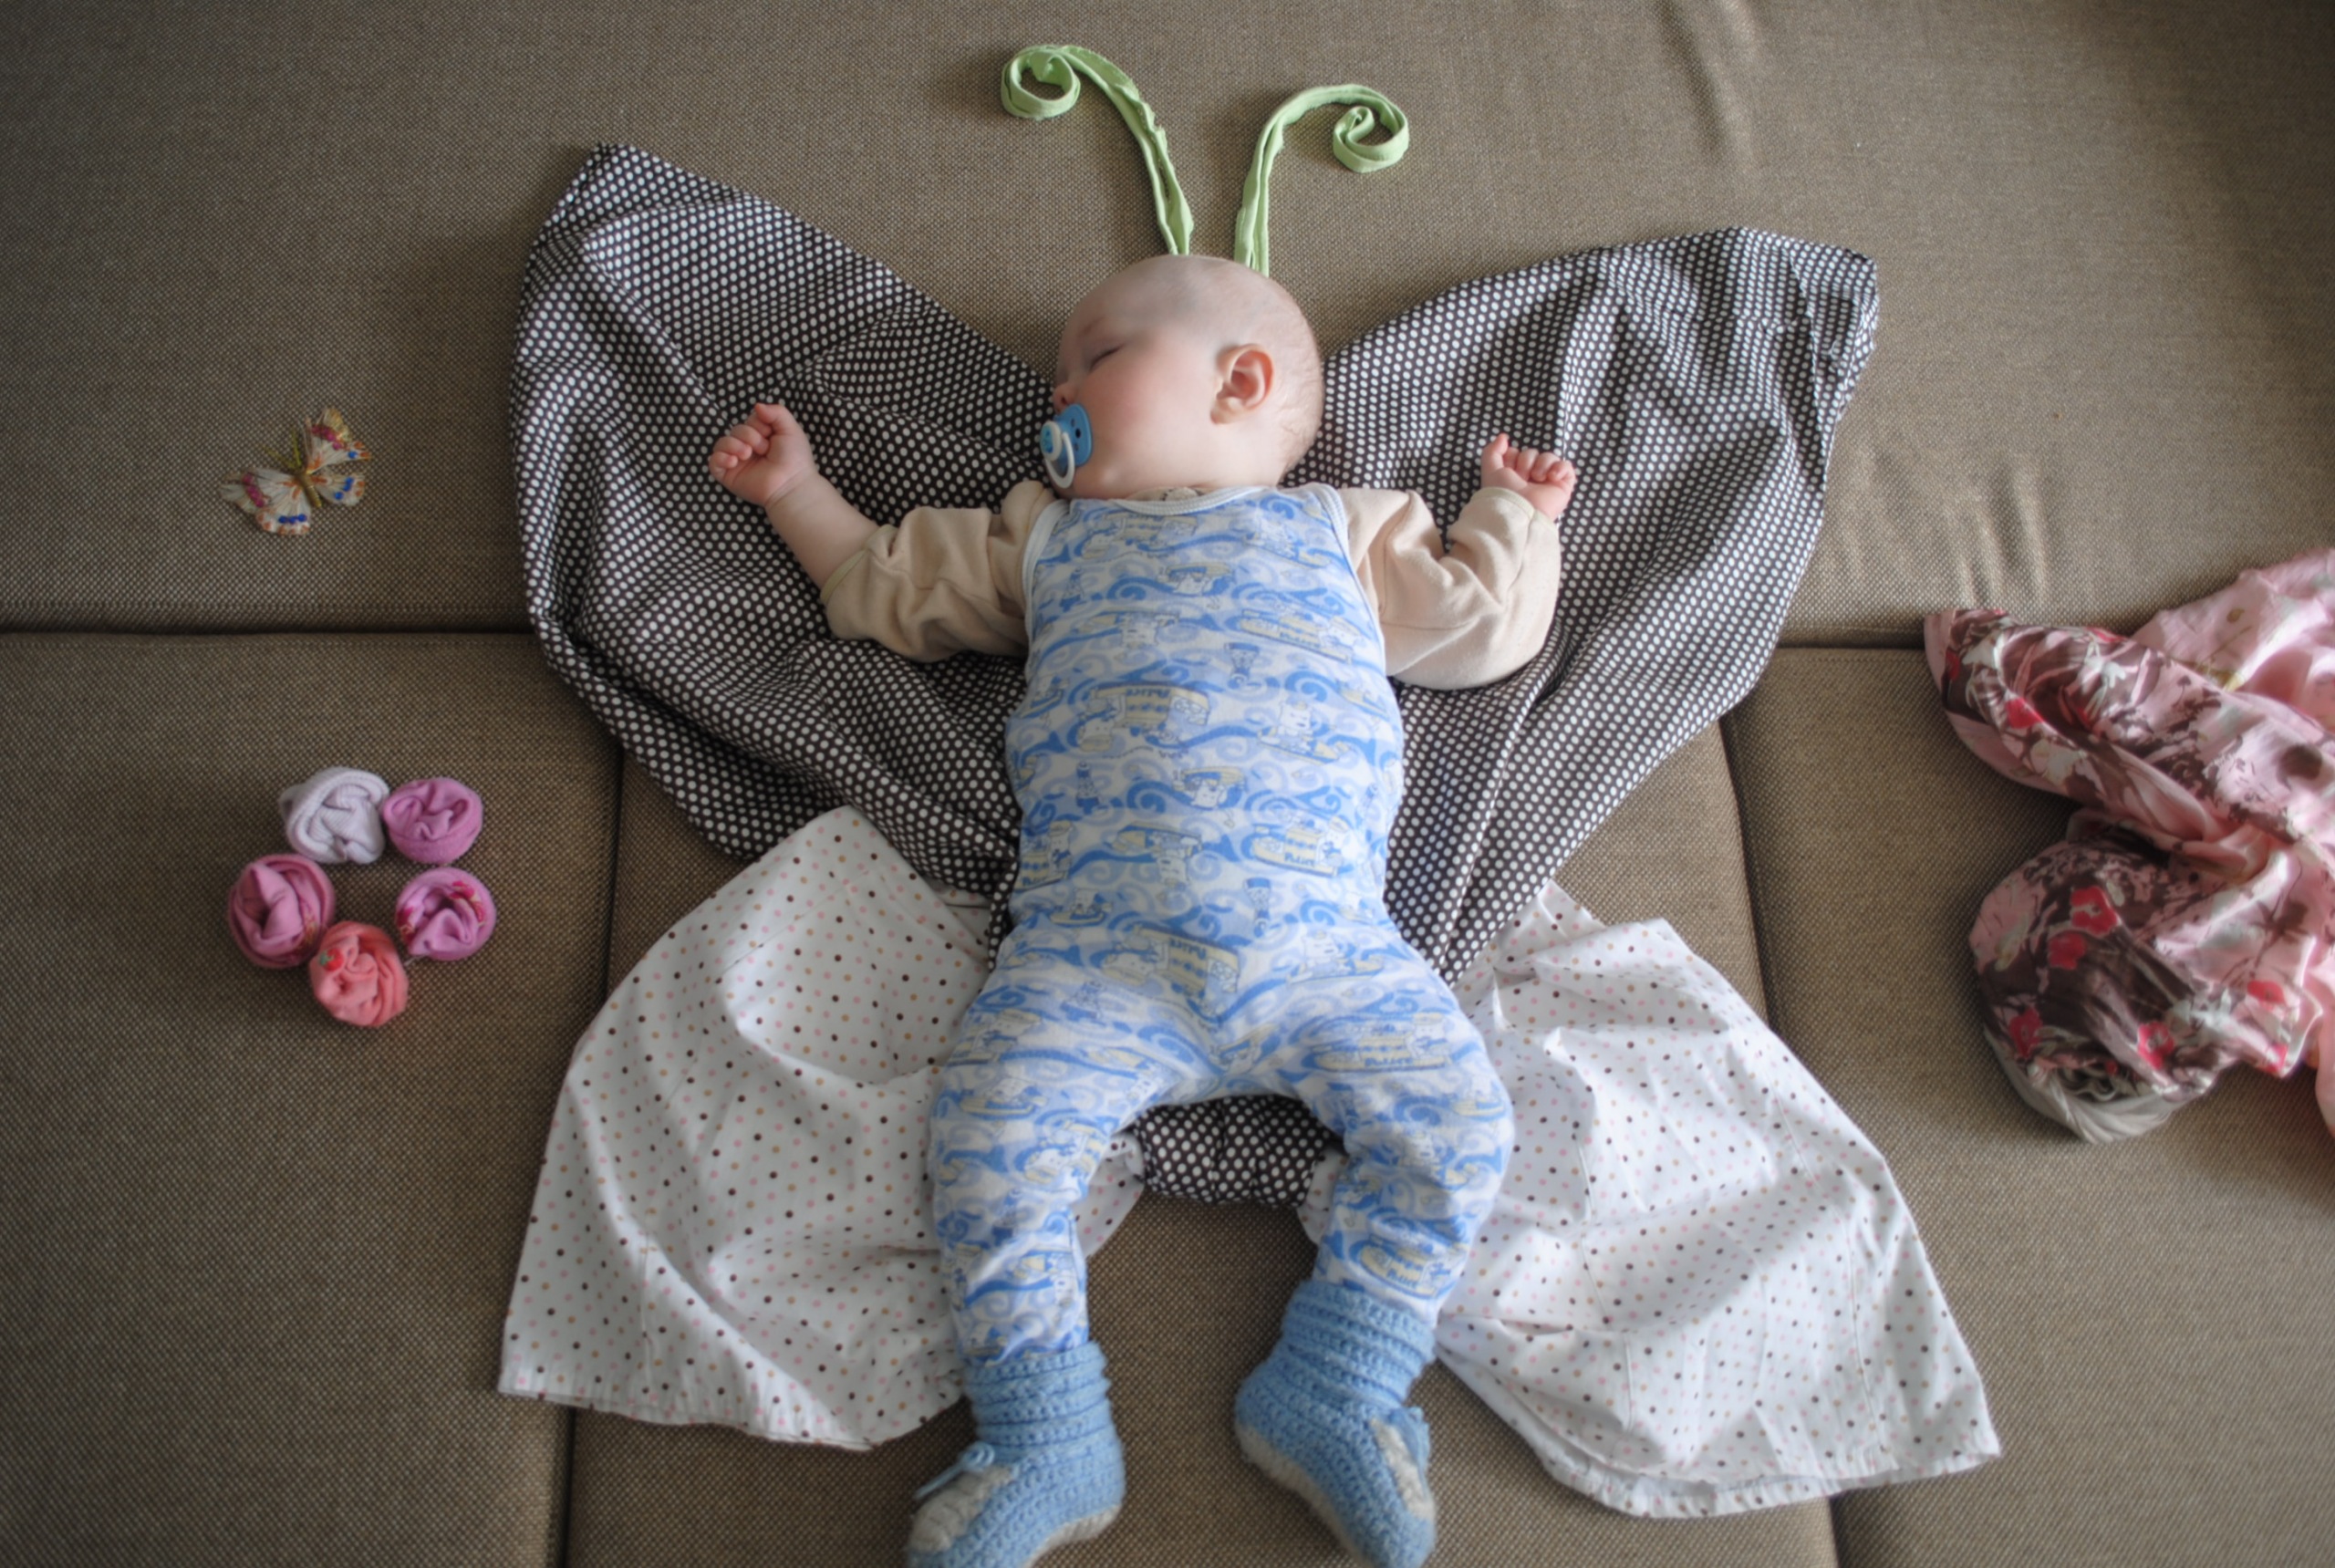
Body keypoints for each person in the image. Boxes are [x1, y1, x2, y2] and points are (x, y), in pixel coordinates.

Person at [709, 254, 1575, 1568]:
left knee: (1461, 1128)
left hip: (1329, 954)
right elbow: (889, 583)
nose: (1054, 395)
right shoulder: (1046, 538)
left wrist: (1514, 513)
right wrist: (795, 495)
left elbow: (1479, 626)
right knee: (988, 1142)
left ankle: (1340, 1382)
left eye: (1096, 358)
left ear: (1242, 382)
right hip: (1093, 963)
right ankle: (1044, 1431)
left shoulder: (1341, 531)